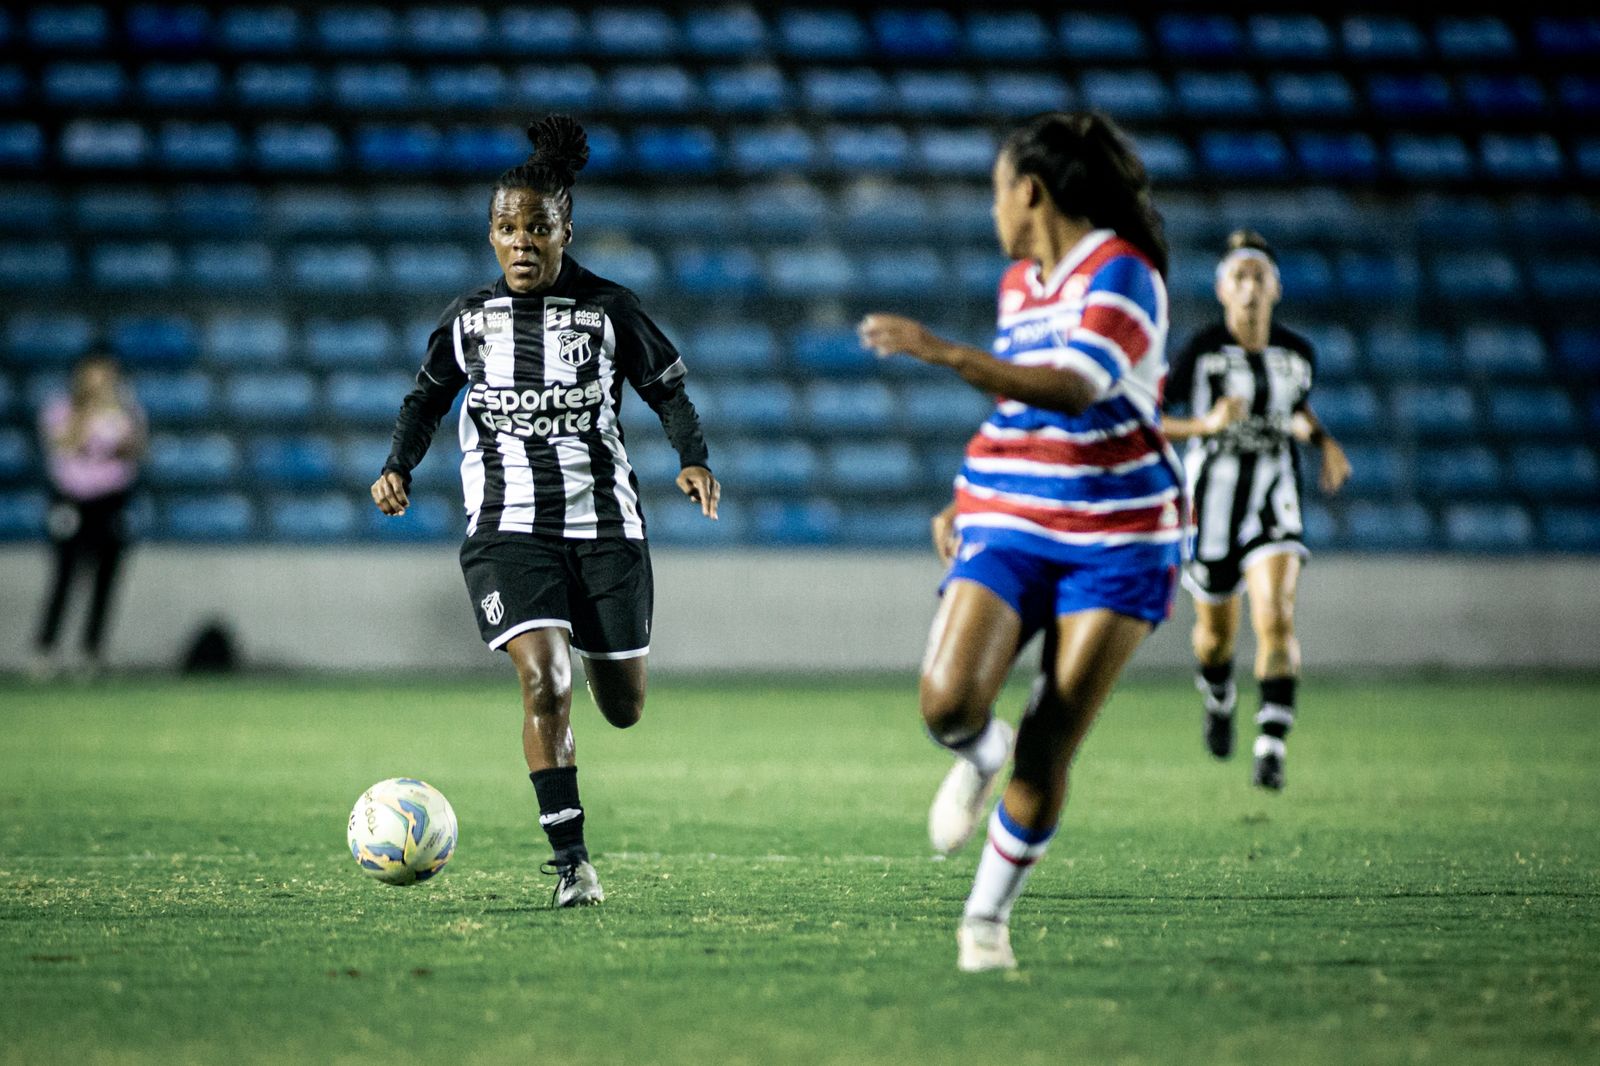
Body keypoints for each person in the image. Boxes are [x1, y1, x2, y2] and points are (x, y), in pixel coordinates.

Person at [859, 111, 1182, 972]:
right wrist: (967, 491)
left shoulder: (1123, 272)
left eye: (996, 189)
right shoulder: (1019, 285)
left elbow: (1072, 388)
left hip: (1119, 534)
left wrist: (944, 353)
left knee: (1050, 743)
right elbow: (1021, 407)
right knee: (947, 702)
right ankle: (979, 751)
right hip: (1013, 517)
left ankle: (985, 921)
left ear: (1029, 191)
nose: (993, 206)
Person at [371, 115, 720, 907]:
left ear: (566, 232)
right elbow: (425, 399)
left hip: (606, 527)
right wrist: (397, 466)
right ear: (491, 237)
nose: (521, 242)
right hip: (507, 530)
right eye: (507, 229)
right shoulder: (469, 321)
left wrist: (692, 458)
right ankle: (573, 864)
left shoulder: (610, 310)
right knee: (545, 680)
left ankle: (589, 666)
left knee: (623, 708)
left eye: (537, 228)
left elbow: (667, 390)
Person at [1162, 229, 1351, 791]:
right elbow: (1152, 417)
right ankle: (1219, 695)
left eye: (1259, 277)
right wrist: (1205, 424)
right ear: (1223, 289)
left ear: (1275, 289)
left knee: (1276, 612)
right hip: (1212, 503)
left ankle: (1271, 744)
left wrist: (1324, 440)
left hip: (1274, 492)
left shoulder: (1297, 354)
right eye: (1239, 278)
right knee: (1215, 638)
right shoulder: (1199, 352)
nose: (1249, 288)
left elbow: (1296, 409)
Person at [32, 353, 146, 680]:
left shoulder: (126, 410)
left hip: (111, 500)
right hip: (73, 498)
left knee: (106, 578)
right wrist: (88, 412)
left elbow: (134, 450)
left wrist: (117, 417)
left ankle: (92, 651)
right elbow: (63, 444)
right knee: (64, 576)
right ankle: (46, 649)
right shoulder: (61, 408)